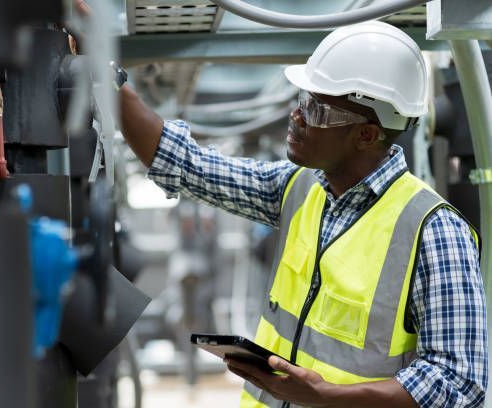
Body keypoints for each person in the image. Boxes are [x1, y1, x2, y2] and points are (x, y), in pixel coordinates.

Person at [118, 21, 487, 408]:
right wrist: (109, 80)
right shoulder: (298, 188)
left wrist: (326, 396)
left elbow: (458, 382)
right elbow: (184, 164)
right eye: (302, 98)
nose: (297, 116)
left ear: (365, 134)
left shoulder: (434, 231)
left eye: (317, 109)